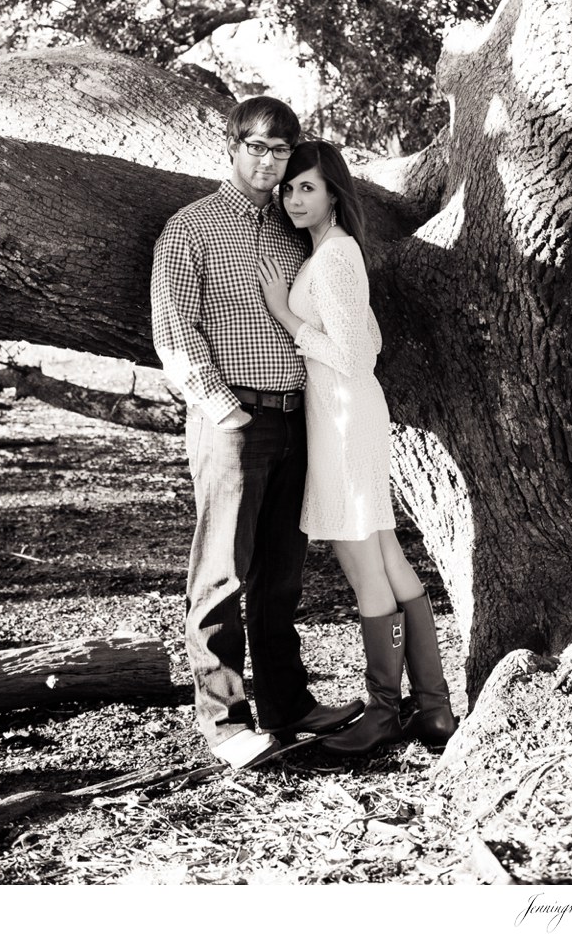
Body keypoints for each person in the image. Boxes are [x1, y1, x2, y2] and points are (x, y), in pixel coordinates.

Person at [150, 99, 364, 770]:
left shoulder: (289, 229)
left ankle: (288, 705)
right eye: (258, 147)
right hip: (233, 422)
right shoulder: (192, 227)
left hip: (297, 417)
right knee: (222, 574)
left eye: (281, 150)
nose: (269, 161)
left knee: (279, 578)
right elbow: (174, 328)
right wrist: (225, 409)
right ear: (233, 146)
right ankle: (225, 719)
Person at [257, 140, 458, 757]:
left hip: (345, 418)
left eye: (307, 188)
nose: (294, 198)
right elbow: (364, 333)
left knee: (362, 562)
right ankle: (434, 708)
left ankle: (381, 714)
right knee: (389, 557)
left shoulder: (337, 256)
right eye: (289, 188)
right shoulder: (332, 253)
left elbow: (355, 353)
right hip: (352, 414)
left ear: (334, 194)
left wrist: (284, 317)